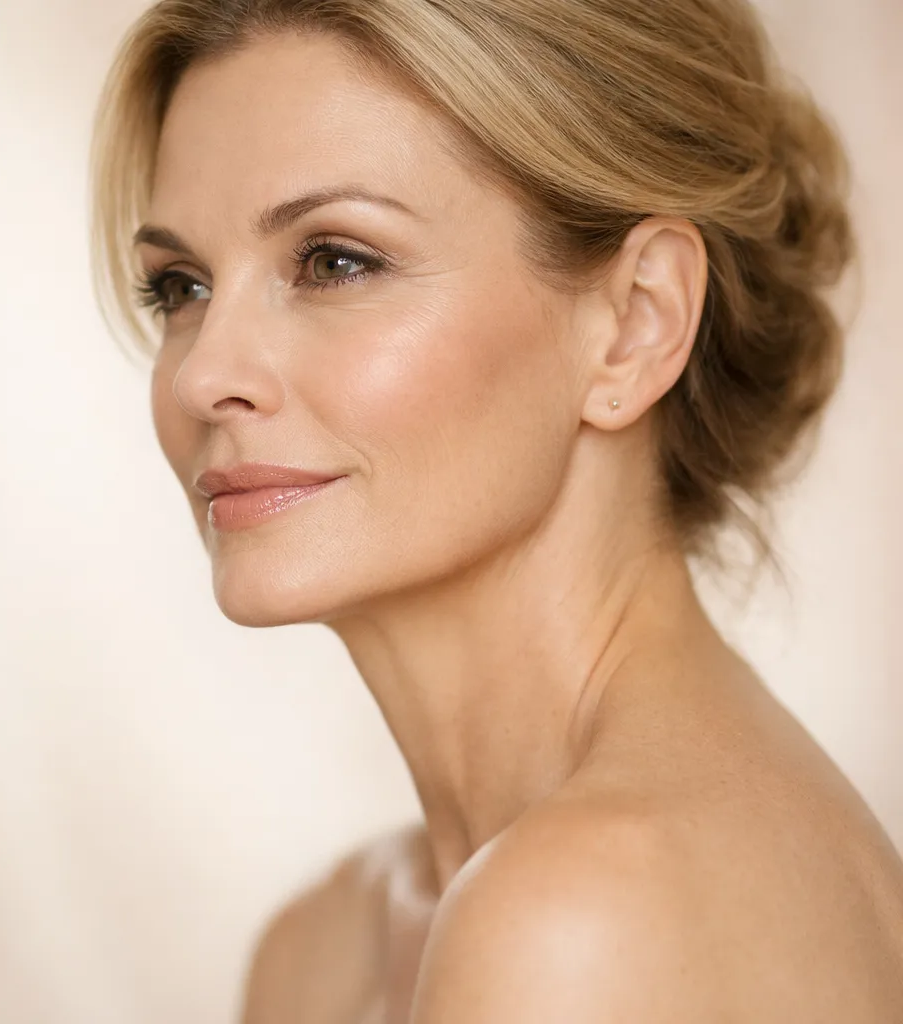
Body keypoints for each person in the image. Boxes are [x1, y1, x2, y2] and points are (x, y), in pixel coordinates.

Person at [89, 1, 903, 1020]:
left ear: (634, 324)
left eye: (335, 260)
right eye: (181, 286)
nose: (205, 372)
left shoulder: (587, 919)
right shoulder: (324, 949)